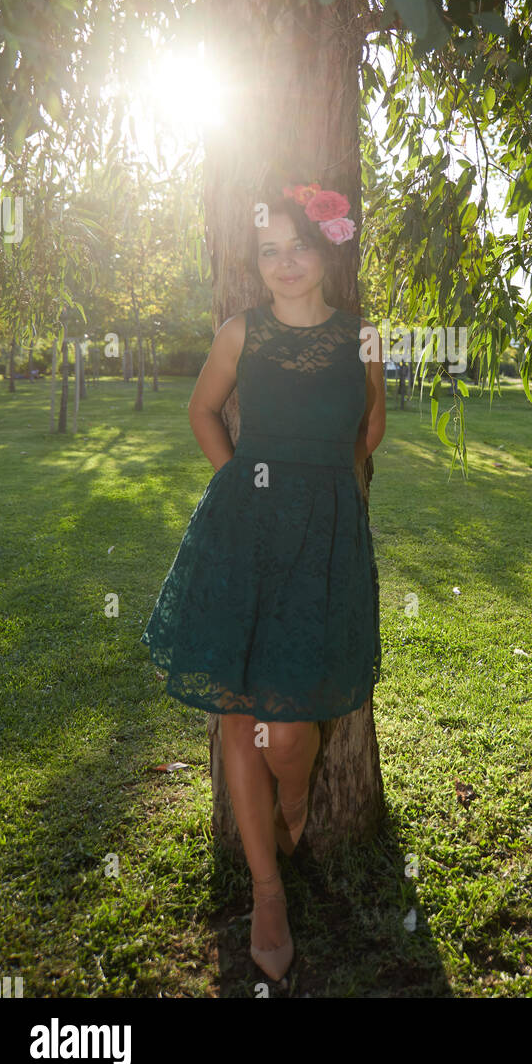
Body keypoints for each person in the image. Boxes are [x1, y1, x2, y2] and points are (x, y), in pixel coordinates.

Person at [140, 179, 385, 984]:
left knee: (288, 732)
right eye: (269, 251)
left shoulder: (366, 338)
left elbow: (371, 420)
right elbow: (203, 413)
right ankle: (269, 890)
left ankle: (293, 805)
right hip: (242, 537)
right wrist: (239, 485)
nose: (284, 264)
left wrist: (344, 481)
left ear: (327, 251)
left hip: (325, 545)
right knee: (238, 712)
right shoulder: (239, 332)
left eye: (298, 248)